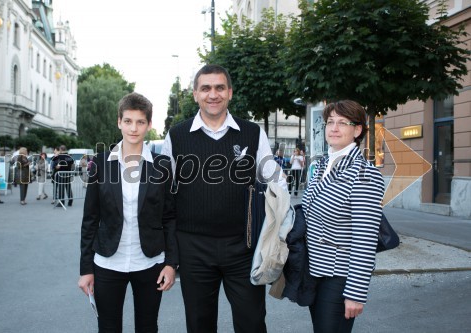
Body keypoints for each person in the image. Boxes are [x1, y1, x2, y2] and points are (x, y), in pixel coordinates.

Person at [161, 64, 287, 333]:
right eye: (205, 88)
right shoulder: (177, 136)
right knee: (199, 325)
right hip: (193, 248)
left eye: (219, 88)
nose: (213, 94)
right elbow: (161, 193)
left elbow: (277, 182)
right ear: (195, 94)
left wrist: (278, 231)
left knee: (252, 323)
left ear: (229, 92)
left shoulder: (252, 133)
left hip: (243, 247)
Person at [78, 92, 178, 332]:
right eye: (128, 121)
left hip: (151, 261)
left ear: (149, 125)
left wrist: (171, 264)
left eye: (140, 122)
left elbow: (170, 217)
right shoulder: (100, 164)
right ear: (119, 122)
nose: (134, 128)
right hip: (108, 261)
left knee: (147, 326)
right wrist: (85, 269)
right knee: (109, 326)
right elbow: (90, 219)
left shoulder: (162, 165)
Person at [301, 100, 385, 333]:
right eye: (330, 122)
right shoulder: (321, 166)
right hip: (315, 270)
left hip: (340, 277)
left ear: (357, 130)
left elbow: (365, 241)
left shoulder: (365, 175)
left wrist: (356, 294)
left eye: (342, 123)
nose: (334, 128)